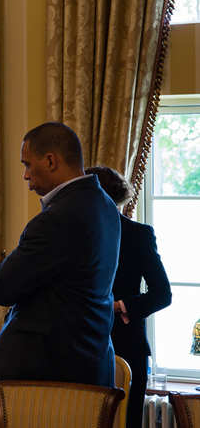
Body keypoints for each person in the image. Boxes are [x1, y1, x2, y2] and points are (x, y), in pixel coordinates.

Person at [0, 122, 120, 387]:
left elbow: (3, 288)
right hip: (89, 362)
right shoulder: (105, 205)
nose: (25, 175)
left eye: (27, 164)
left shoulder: (57, 218)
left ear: (50, 160)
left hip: (47, 376)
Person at [86, 165, 171, 428]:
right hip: (83, 347)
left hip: (127, 349)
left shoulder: (138, 235)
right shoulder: (74, 235)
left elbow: (162, 294)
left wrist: (121, 305)